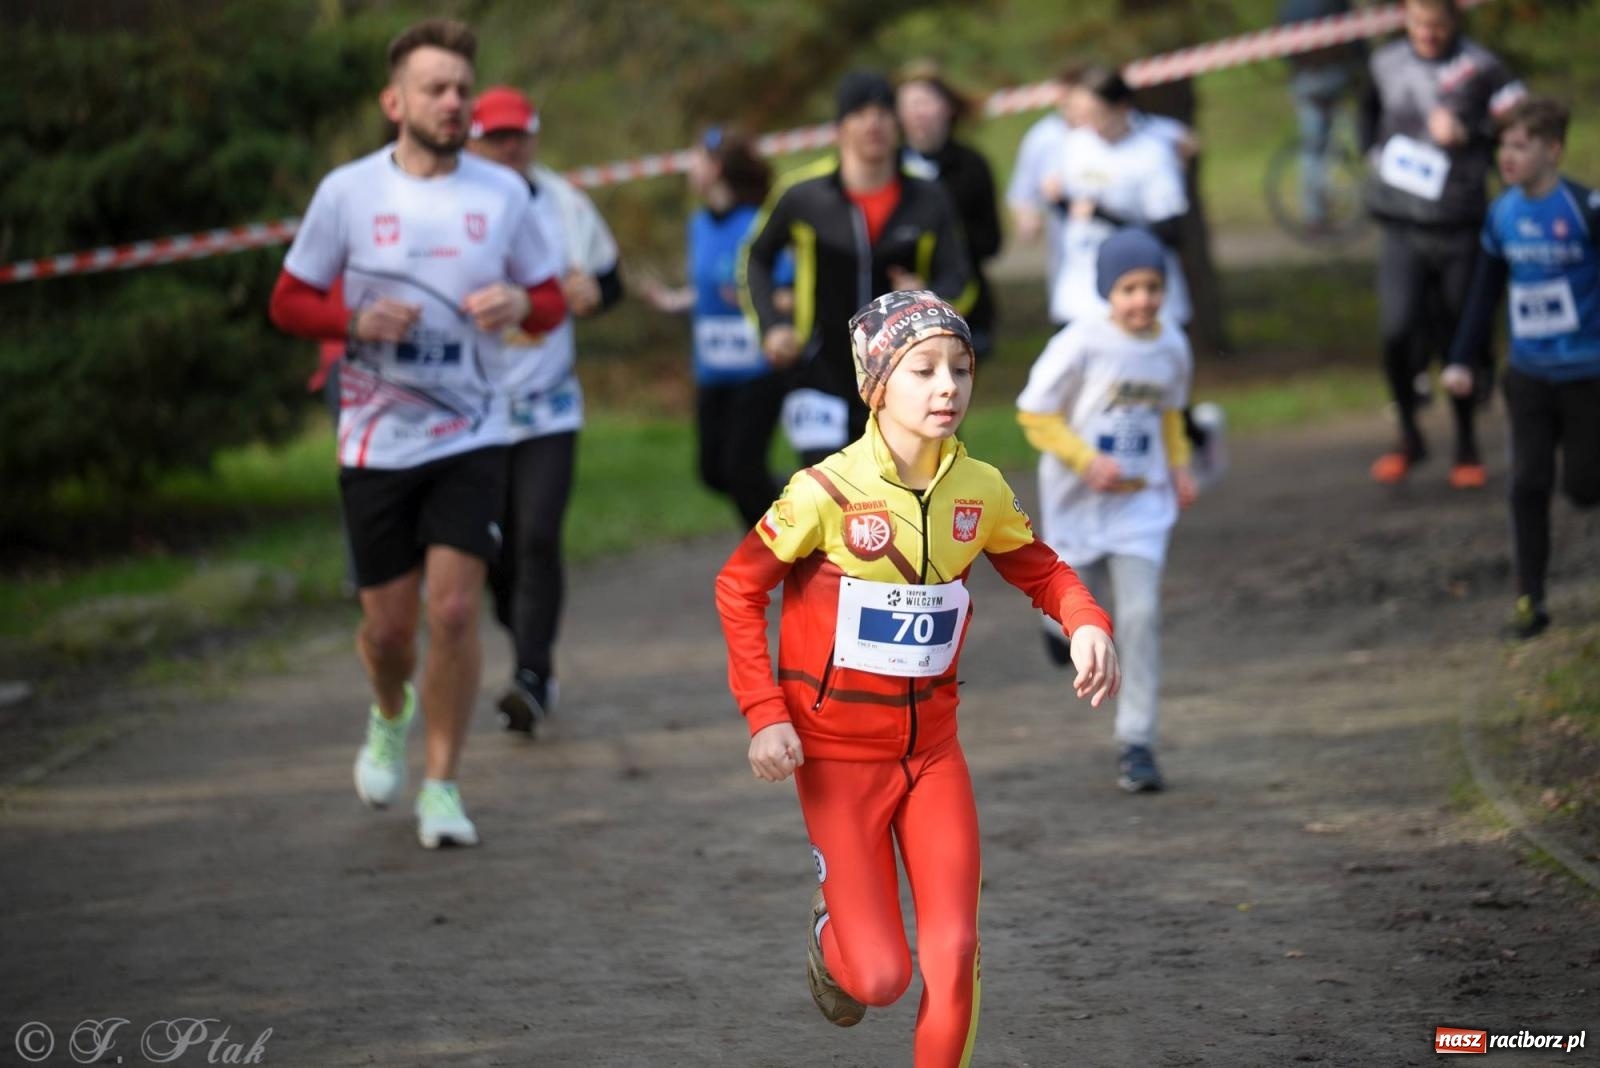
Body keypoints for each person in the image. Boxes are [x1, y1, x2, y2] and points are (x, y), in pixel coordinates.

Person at [714, 290, 1119, 1064]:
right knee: (880, 979)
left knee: (954, 949)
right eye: (923, 369)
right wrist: (765, 713)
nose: (947, 387)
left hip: (933, 754)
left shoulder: (981, 489)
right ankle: (832, 924)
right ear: (876, 386)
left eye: (960, 369)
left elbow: (1043, 571)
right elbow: (738, 588)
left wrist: (1087, 621)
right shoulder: (824, 492)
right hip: (835, 758)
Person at [267, 18, 566, 848]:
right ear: (394, 102)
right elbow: (288, 301)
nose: (453, 102)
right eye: (435, 88)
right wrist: (352, 320)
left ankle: (442, 785)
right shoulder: (348, 193)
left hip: (473, 431)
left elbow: (550, 299)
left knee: (456, 609)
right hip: (375, 439)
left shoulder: (504, 194)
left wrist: (520, 302)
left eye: (462, 88)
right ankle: (388, 710)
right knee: (390, 632)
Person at [465, 86, 622, 735]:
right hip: (475, 410)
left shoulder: (564, 202)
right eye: (496, 138)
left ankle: (531, 676)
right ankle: (524, 631)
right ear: (471, 142)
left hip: (549, 403)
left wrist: (595, 293)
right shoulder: (452, 208)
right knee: (492, 550)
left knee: (536, 536)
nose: (509, 149)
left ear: (533, 137)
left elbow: (610, 278)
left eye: (519, 136)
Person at [1015, 229, 1196, 793]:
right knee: (1068, 601)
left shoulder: (1172, 346)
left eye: (1153, 287)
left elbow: (1171, 413)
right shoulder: (1080, 342)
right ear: (1107, 291)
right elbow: (1034, 413)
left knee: (1139, 616)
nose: (1143, 300)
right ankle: (1055, 629)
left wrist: (1180, 466)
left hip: (1140, 506)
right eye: (1129, 288)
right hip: (1078, 500)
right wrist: (1084, 458)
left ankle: (1136, 742)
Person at [742, 69, 972, 467]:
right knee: (828, 493)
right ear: (840, 126)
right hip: (819, 375)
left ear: (897, 124)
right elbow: (755, 258)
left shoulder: (928, 197)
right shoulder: (803, 196)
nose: (873, 123)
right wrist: (773, 326)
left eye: (883, 112)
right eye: (860, 113)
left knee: (913, 493)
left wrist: (930, 300)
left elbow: (961, 278)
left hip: (907, 381)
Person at [1442, 97, 1600, 639]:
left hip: (1586, 372)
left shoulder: (1584, 208)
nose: (1506, 158)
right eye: (1502, 147)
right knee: (1528, 482)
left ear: (1552, 150)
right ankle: (1530, 600)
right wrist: (1462, 357)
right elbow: (1484, 293)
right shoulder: (1502, 214)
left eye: (1519, 147)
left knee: (1584, 486)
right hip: (1529, 371)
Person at [1359, 0, 1523, 488]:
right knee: (1396, 329)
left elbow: (1518, 128)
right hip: (1401, 221)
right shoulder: (1385, 61)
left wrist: (1469, 133)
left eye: (1437, 25)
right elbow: (1367, 111)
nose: (1427, 34)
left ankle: (1467, 444)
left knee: (1458, 335)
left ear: (1454, 21)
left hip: (1458, 223)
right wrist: (1372, 153)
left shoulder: (1483, 67)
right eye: (1417, 24)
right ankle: (1408, 435)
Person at [641, 128, 793, 527]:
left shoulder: (759, 223)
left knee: (742, 471)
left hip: (758, 369)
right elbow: (710, 289)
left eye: (695, 159)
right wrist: (673, 300)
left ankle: (772, 551)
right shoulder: (698, 225)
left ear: (717, 167)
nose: (688, 168)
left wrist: (757, 297)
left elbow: (788, 291)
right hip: (712, 372)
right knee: (713, 471)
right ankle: (792, 503)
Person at [1007, 63, 1197, 327]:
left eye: (1094, 114)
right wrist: (1059, 201)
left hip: (1139, 299)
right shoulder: (1074, 143)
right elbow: (1075, 211)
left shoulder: (1151, 153)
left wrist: (1101, 214)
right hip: (1081, 294)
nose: (1085, 122)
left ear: (1120, 108)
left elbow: (1169, 232)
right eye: (1079, 113)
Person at [895, 61, 1003, 357]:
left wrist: (946, 239)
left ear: (947, 108)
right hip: (897, 305)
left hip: (963, 302)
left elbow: (991, 241)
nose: (918, 113)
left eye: (925, 103)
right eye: (909, 105)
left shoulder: (971, 166)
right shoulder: (889, 168)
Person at [1277, 0, 1365, 230]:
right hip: (1334, 75)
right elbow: (1355, 37)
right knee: (1347, 137)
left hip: (1304, 78)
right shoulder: (1335, 3)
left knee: (1312, 150)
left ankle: (1314, 212)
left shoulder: (1290, 6)